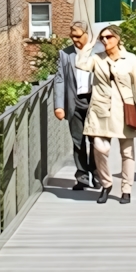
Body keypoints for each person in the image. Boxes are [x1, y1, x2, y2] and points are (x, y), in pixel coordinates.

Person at [83, 25, 136, 205]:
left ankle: (126, 189)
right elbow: (80, 64)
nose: (105, 40)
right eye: (102, 38)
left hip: (124, 109)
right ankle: (106, 183)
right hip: (101, 110)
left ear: (118, 38)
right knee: (100, 148)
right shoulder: (97, 59)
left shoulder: (130, 59)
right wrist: (89, 45)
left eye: (109, 37)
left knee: (127, 151)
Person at [50, 21, 100, 191]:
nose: (75, 40)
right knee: (78, 141)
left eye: (78, 36)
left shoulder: (99, 52)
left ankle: (98, 175)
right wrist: (58, 105)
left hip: (94, 102)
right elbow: (59, 79)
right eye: (72, 36)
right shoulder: (65, 54)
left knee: (96, 142)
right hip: (74, 102)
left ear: (87, 34)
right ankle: (82, 177)